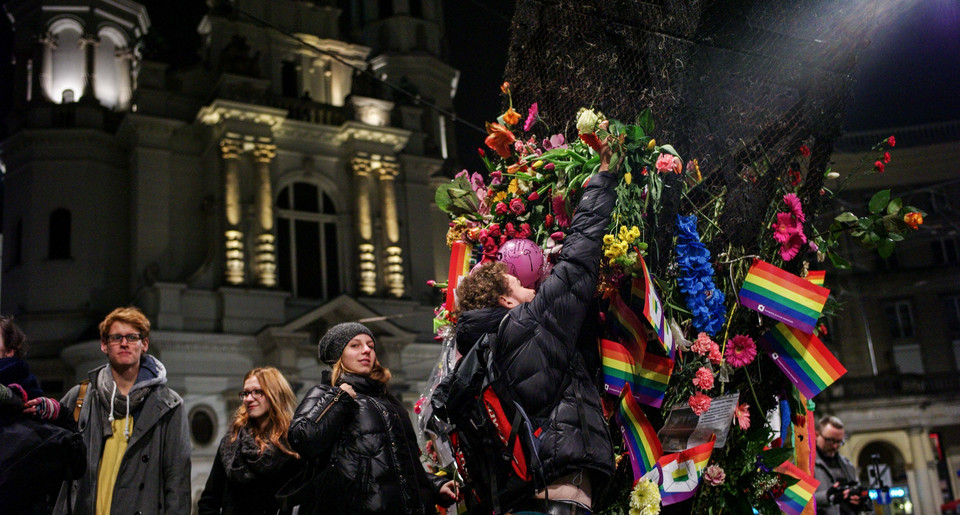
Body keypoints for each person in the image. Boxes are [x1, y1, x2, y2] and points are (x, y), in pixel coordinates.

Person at [451, 129, 618, 513]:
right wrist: (604, 174)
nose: (533, 287)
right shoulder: (525, 328)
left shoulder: (481, 356)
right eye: (520, 285)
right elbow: (576, 265)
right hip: (556, 504)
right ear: (506, 299)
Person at [288, 322, 458, 514]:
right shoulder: (326, 393)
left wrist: (435, 485)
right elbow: (302, 439)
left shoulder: (388, 400)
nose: (366, 350)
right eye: (355, 345)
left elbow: (404, 462)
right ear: (338, 355)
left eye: (370, 345)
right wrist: (339, 399)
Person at [54, 306, 191, 514]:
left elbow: (177, 480)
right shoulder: (81, 397)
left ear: (144, 344)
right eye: (116, 337)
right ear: (104, 345)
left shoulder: (169, 405)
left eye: (132, 337)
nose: (124, 343)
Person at [198, 367, 304, 514]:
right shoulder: (231, 443)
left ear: (274, 394)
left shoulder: (291, 443)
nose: (248, 399)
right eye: (246, 393)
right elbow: (209, 501)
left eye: (257, 392)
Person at [814, 415, 865, 514]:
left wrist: (859, 499)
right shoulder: (804, 463)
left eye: (839, 442)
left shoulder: (847, 465)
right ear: (817, 435)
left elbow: (856, 490)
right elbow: (793, 502)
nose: (835, 446)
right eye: (830, 440)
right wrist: (827, 496)